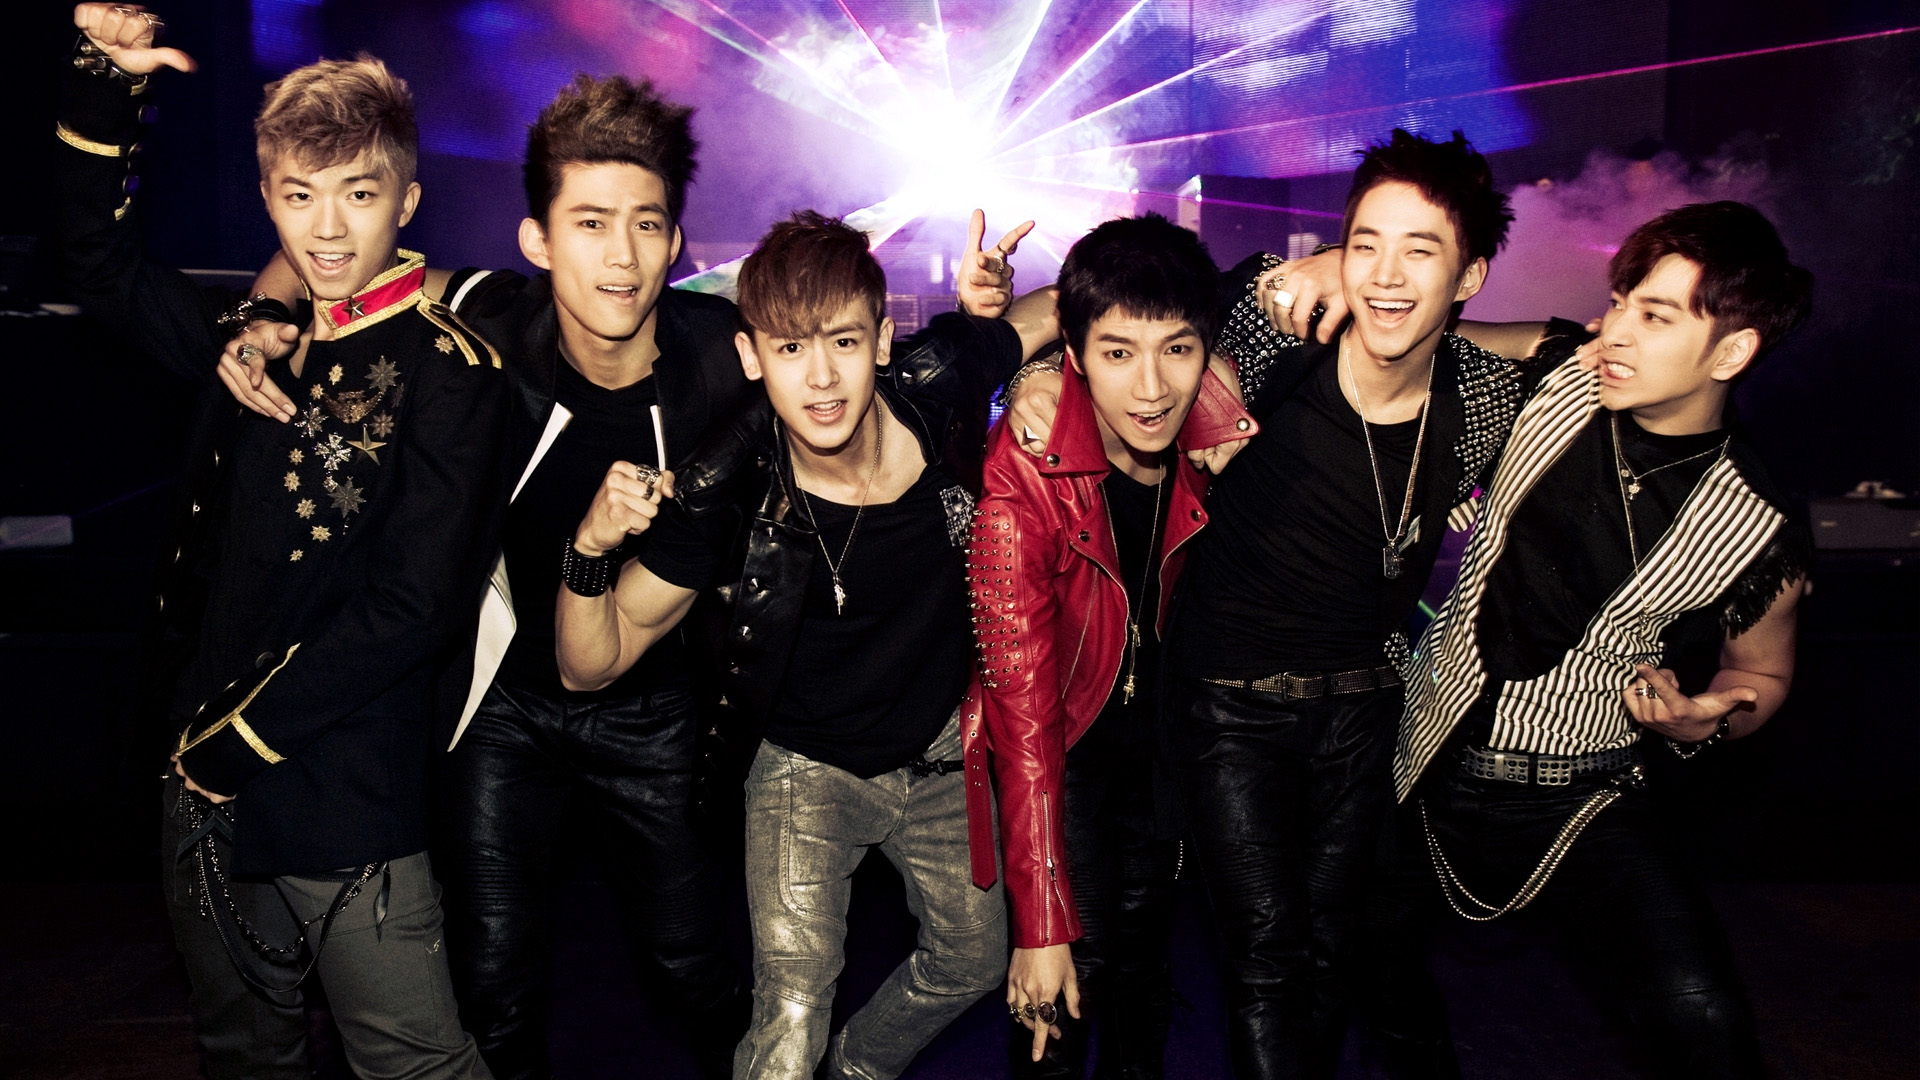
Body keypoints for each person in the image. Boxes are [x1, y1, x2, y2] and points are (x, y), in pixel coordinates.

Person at [56, 7, 507, 1077]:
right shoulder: (248, 345)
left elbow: (415, 606)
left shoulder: (451, 370)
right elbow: (98, 264)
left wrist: (237, 747)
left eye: (359, 194)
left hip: (343, 793)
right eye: (300, 196)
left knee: (415, 1064)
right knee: (241, 1056)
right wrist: (104, 84)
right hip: (196, 786)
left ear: (407, 200)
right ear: (267, 198)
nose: (329, 229)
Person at [553, 210, 1053, 1079]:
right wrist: (590, 550)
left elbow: (1055, 309)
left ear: (883, 341)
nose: (820, 377)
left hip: (940, 755)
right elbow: (587, 663)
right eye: (789, 348)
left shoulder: (937, 384)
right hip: (805, 772)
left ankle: (855, 1070)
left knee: (972, 963)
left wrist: (1023, 347)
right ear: (751, 357)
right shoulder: (722, 488)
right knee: (788, 1017)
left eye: (843, 342)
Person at [1361, 201, 1812, 1080]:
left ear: (1731, 353)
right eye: (1618, 302)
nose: (1615, 332)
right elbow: (1412, 326)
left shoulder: (1759, 524)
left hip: (1584, 797)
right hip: (1422, 759)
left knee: (1704, 1020)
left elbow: (1761, 674)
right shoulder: (1556, 369)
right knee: (1371, 975)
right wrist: (1321, 271)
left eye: (1656, 316)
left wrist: (1710, 718)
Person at [968, 214, 1256, 1078]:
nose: (1152, 387)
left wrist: (1220, 387)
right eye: (1119, 353)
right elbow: (1023, 718)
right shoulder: (1023, 478)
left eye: (1178, 350)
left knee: (1143, 988)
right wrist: (1039, 922)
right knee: (1058, 1001)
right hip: (1064, 759)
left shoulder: (1208, 435)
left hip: (1160, 756)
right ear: (1076, 354)